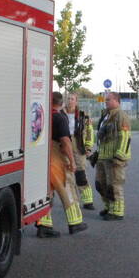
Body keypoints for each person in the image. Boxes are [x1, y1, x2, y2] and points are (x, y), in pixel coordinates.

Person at [37, 90, 88, 237]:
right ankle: (75, 223)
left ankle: (44, 225)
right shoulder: (59, 118)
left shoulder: (42, 115)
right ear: (61, 103)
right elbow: (65, 142)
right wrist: (72, 162)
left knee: (47, 192)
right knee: (67, 188)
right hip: (56, 158)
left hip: (42, 158)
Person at [95, 91, 131, 221]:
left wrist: (119, 156)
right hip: (103, 156)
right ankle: (108, 207)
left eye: (108, 100)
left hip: (114, 158)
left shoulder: (121, 115)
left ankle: (117, 212)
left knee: (114, 185)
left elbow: (125, 137)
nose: (106, 102)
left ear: (117, 101)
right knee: (101, 184)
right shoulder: (106, 115)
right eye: (106, 100)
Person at [64, 92, 96, 210]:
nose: (70, 101)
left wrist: (88, 147)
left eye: (72, 99)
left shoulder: (83, 116)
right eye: (68, 99)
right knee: (68, 175)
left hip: (79, 146)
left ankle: (88, 201)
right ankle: (73, 200)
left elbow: (89, 132)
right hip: (65, 145)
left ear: (76, 101)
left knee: (80, 174)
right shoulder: (61, 113)